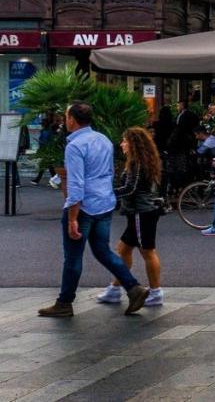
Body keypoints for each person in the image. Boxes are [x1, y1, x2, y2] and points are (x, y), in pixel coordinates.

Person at [37, 102, 149, 317]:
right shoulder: (103, 140)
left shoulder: (75, 146)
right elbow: (109, 172)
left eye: (67, 116)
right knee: (102, 250)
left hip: (84, 206)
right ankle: (133, 288)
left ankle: (64, 302)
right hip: (104, 202)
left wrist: (72, 217)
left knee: (73, 256)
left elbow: (76, 183)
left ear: (72, 120)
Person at [96, 127, 165, 307]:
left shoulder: (136, 163)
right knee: (124, 249)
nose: (122, 144)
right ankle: (114, 289)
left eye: (124, 141)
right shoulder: (143, 161)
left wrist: (108, 193)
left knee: (147, 251)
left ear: (133, 144)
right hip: (141, 211)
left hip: (141, 212)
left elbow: (131, 188)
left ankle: (156, 292)